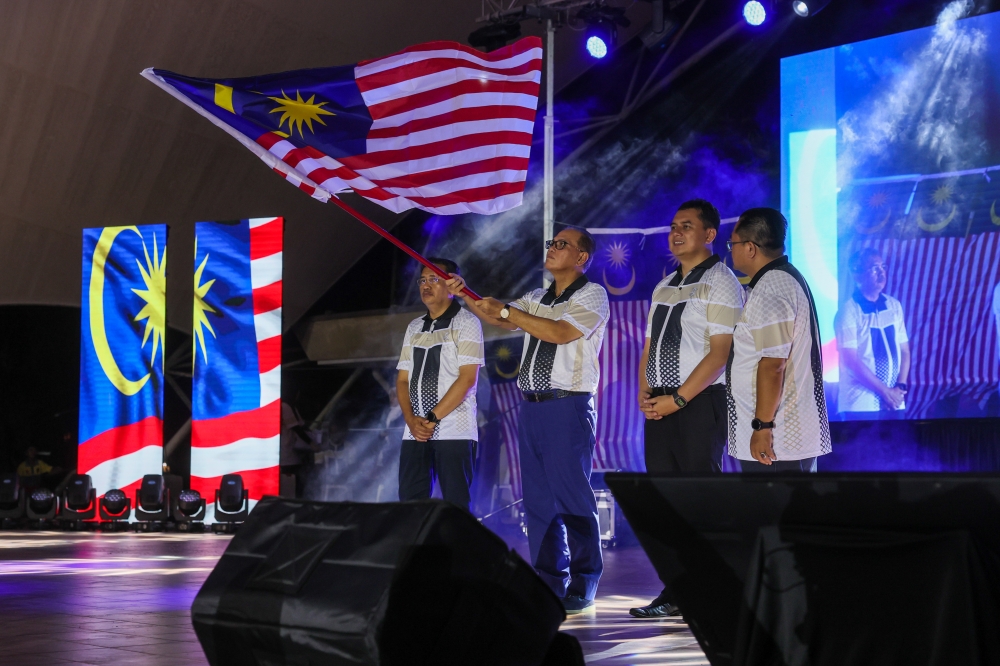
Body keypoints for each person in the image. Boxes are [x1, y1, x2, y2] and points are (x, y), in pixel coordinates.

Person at [447, 227, 609, 614]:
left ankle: (584, 580)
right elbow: (499, 316)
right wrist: (464, 293)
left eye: (562, 245)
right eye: (552, 243)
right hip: (531, 406)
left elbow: (559, 332)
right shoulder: (537, 297)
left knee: (572, 496)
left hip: (567, 406)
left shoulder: (592, 295)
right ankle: (550, 581)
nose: (552, 249)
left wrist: (507, 311)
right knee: (537, 500)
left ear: (582, 257)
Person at [630, 199, 745, 619]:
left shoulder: (722, 281)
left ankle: (714, 587)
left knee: (700, 496)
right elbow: (649, 347)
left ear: (710, 234)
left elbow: (719, 354)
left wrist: (678, 398)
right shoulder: (664, 285)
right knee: (666, 499)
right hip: (661, 401)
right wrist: (645, 394)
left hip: (699, 402)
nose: (676, 233)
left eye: (687, 226)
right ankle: (677, 588)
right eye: (673, 226)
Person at [726, 208, 831, 471]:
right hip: (783, 435)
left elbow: (774, 364)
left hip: (777, 439)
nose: (731, 250)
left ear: (750, 248)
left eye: (733, 244)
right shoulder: (781, 278)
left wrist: (762, 426)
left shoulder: (772, 287)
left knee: (777, 510)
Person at [396, 258, 484, 512]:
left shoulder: (466, 322)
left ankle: (459, 553)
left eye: (434, 279)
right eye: (422, 280)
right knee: (410, 507)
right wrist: (411, 420)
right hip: (414, 431)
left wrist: (432, 419)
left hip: (453, 430)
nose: (426, 285)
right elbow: (402, 380)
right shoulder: (414, 327)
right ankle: (418, 553)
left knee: (455, 509)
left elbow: (468, 379)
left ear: (451, 284)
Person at [834, 248, 910, 416]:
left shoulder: (894, 305)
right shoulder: (848, 311)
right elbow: (850, 362)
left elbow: (905, 351)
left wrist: (900, 387)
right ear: (857, 275)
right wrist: (885, 392)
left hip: (895, 401)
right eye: (875, 269)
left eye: (883, 267)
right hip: (861, 404)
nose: (882, 273)